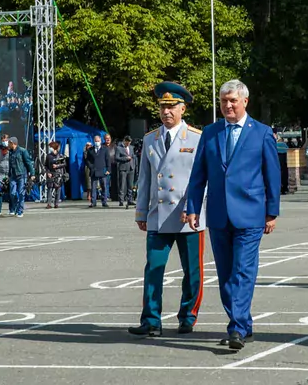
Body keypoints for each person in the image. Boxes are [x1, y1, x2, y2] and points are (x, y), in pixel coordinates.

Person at [184, 79, 280, 351]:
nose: (228, 105)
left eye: (233, 101)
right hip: (218, 214)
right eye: (224, 101)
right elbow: (198, 174)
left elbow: (272, 175)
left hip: (250, 214)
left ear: (245, 102)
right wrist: (192, 207)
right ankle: (243, 324)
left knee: (242, 270)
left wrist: (272, 212)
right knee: (225, 274)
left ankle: (236, 327)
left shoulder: (261, 133)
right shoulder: (211, 132)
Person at [128, 82, 206, 337]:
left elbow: (203, 179)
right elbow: (144, 179)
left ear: (183, 109)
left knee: (192, 271)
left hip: (188, 216)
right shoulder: (150, 138)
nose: (166, 112)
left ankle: (188, 316)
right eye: (163, 107)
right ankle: (151, 320)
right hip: (159, 214)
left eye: (172, 107)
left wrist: (193, 207)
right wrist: (141, 212)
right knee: (153, 268)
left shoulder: (197, 138)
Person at [7, 136, 35, 218]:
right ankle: (16, 207)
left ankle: (20, 211)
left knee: (21, 193)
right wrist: (8, 175)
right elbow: (10, 165)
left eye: (9, 143)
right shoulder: (10, 152)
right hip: (13, 176)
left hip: (22, 175)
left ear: (13, 143)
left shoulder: (23, 151)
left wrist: (32, 174)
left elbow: (28, 163)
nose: (8, 144)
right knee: (12, 193)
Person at [86, 135, 110, 208]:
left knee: (104, 187)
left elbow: (108, 160)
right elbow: (87, 160)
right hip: (94, 171)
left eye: (98, 141)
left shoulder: (105, 149)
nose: (97, 142)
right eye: (95, 141)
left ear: (100, 141)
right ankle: (93, 202)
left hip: (103, 170)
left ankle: (104, 202)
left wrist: (108, 169)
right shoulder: (90, 150)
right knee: (93, 187)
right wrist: (91, 167)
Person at [116, 135, 136, 208]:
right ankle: (121, 200)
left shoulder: (131, 147)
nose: (128, 144)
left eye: (129, 142)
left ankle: (130, 199)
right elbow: (117, 158)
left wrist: (134, 165)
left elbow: (133, 156)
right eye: (127, 142)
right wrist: (125, 158)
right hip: (123, 168)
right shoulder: (119, 148)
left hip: (131, 167)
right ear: (124, 141)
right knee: (122, 185)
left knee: (130, 185)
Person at [45, 140, 67, 209]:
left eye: (50, 147)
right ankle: (49, 203)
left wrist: (57, 166)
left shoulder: (60, 156)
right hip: (51, 174)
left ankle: (56, 203)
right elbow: (46, 165)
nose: (49, 148)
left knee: (58, 189)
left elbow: (64, 164)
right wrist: (48, 172)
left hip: (58, 173)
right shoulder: (48, 156)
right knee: (49, 188)